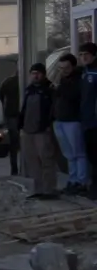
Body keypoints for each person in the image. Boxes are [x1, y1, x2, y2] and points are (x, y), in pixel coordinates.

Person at [19, 63, 58, 199]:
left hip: (43, 131)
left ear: (43, 74)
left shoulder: (49, 89)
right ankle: (38, 189)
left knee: (46, 160)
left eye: (38, 73)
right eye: (33, 73)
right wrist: (21, 125)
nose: (35, 76)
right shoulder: (29, 90)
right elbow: (24, 109)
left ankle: (49, 190)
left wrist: (48, 124)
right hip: (28, 130)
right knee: (32, 161)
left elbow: (54, 109)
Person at [53, 53, 86, 194]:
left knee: (78, 153)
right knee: (69, 154)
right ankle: (73, 180)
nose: (63, 71)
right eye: (60, 68)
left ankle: (81, 181)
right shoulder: (62, 79)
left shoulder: (78, 79)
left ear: (73, 66)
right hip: (60, 120)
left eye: (66, 68)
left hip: (73, 120)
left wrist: (59, 87)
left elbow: (74, 96)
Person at [80, 42, 97, 198]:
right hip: (86, 122)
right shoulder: (83, 72)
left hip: (94, 122)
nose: (83, 57)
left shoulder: (94, 73)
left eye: (86, 54)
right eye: (81, 55)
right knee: (91, 156)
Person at [0, 73, 22, 176]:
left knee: (14, 144)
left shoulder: (8, 82)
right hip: (20, 114)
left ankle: (14, 169)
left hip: (11, 114)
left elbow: (1, 97)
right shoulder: (25, 81)